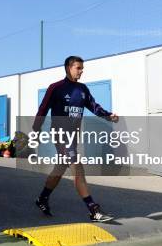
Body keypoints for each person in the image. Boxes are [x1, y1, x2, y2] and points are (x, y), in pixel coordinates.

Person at [32, 55, 118, 222]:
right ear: (68, 68)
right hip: (60, 134)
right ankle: (93, 209)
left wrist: (108, 115)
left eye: (82, 68)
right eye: (78, 68)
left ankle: (42, 198)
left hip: (73, 135)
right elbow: (43, 109)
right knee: (77, 166)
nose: (81, 71)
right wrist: (36, 129)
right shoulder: (55, 88)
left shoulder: (83, 89)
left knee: (60, 167)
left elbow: (94, 106)